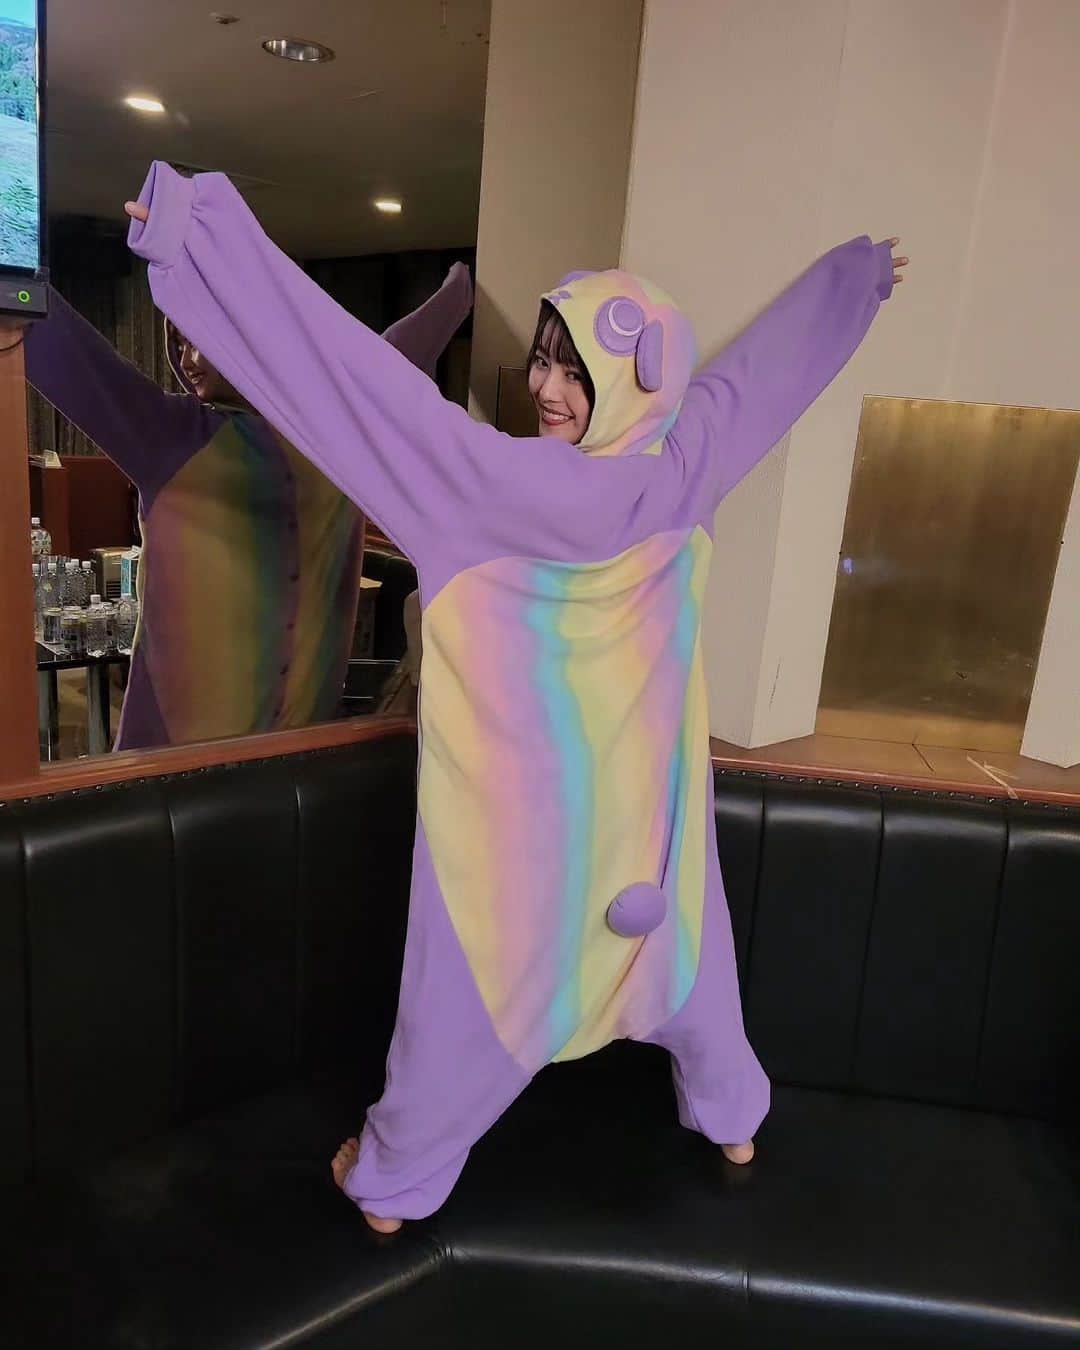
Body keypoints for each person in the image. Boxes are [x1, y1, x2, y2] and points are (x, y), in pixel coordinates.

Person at [125, 160, 907, 1232]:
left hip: (518, 879)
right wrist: (854, 280)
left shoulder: (479, 485)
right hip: (647, 859)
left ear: (635, 383)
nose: (547, 389)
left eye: (576, 371)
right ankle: (731, 1116)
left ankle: (395, 1181)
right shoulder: (685, 469)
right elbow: (753, 382)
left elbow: (356, 387)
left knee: (467, 1017)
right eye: (545, 358)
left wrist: (198, 237)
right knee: (690, 980)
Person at [24, 264, 472, 749]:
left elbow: (404, 350)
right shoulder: (176, 436)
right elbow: (68, 353)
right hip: (180, 764)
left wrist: (460, 286)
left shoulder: (334, 428)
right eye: (179, 342)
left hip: (295, 759)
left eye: (202, 338)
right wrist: (458, 287)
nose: (189, 359)